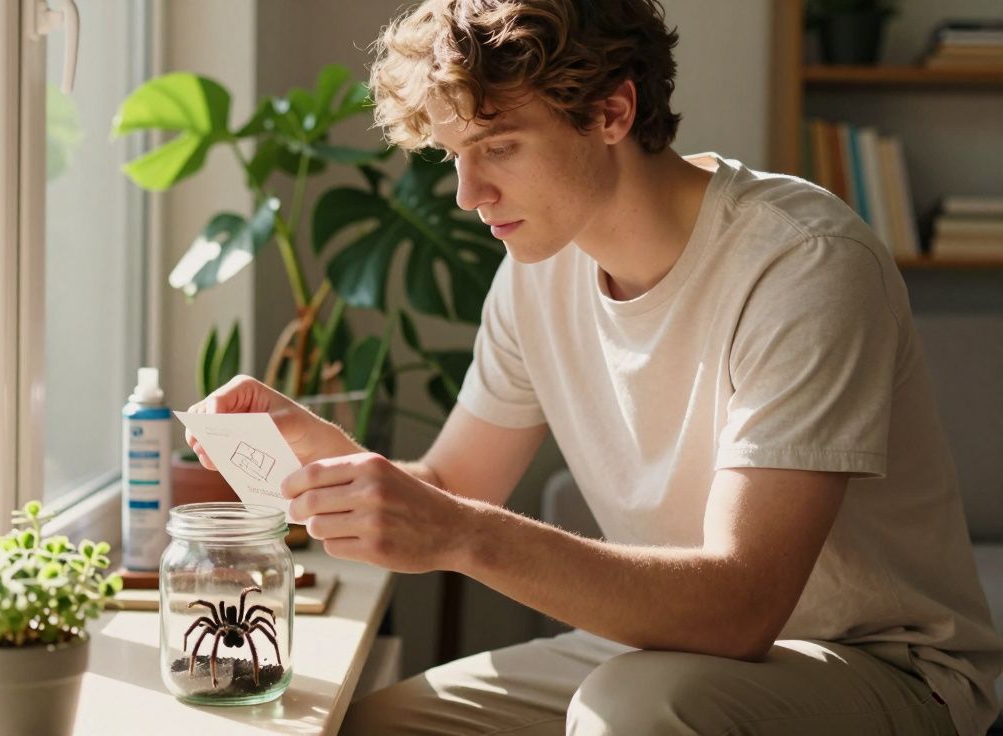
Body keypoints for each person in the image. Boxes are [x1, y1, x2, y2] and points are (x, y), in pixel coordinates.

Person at [185, 0, 1003, 733]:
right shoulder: (535, 274)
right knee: (379, 724)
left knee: (638, 711)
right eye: (454, 154)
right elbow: (456, 487)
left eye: (499, 145)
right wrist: (325, 460)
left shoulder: (803, 266)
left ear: (612, 111)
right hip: (661, 647)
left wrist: (463, 536)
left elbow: (743, 608)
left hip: (877, 665)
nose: (468, 194)